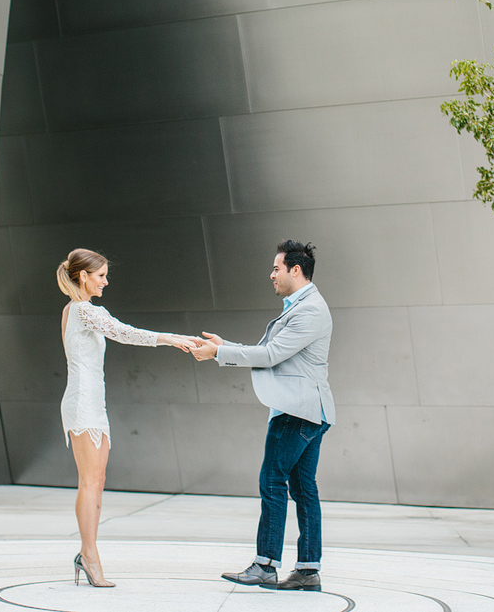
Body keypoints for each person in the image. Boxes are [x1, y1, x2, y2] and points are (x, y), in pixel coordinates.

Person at [192, 240, 336, 593]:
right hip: (307, 411)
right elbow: (272, 353)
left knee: (272, 482)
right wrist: (225, 347)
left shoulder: (310, 310)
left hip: (296, 412)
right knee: (304, 489)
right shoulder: (302, 306)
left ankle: (266, 565)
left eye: (276, 268)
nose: (271, 274)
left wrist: (219, 353)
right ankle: (307, 569)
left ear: (295, 270)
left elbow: (271, 355)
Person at [55, 248, 204, 587]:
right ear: (84, 277)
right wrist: (171, 338)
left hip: (94, 403)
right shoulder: (80, 310)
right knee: (90, 481)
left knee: (97, 480)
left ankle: (87, 553)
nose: (106, 282)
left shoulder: (78, 311)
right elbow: (123, 332)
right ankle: (89, 557)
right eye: (101, 276)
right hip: (82, 405)